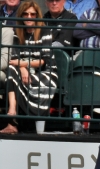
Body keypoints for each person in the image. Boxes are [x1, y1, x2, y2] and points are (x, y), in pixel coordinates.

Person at [0, 2, 57, 134]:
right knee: (11, 70)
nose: (29, 17)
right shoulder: (17, 32)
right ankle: (12, 114)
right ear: (21, 15)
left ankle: (15, 118)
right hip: (23, 71)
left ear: (37, 15)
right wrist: (22, 68)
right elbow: (13, 58)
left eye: (32, 14)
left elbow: (44, 60)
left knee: (15, 71)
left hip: (44, 72)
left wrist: (24, 65)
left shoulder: (44, 31)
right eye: (25, 14)